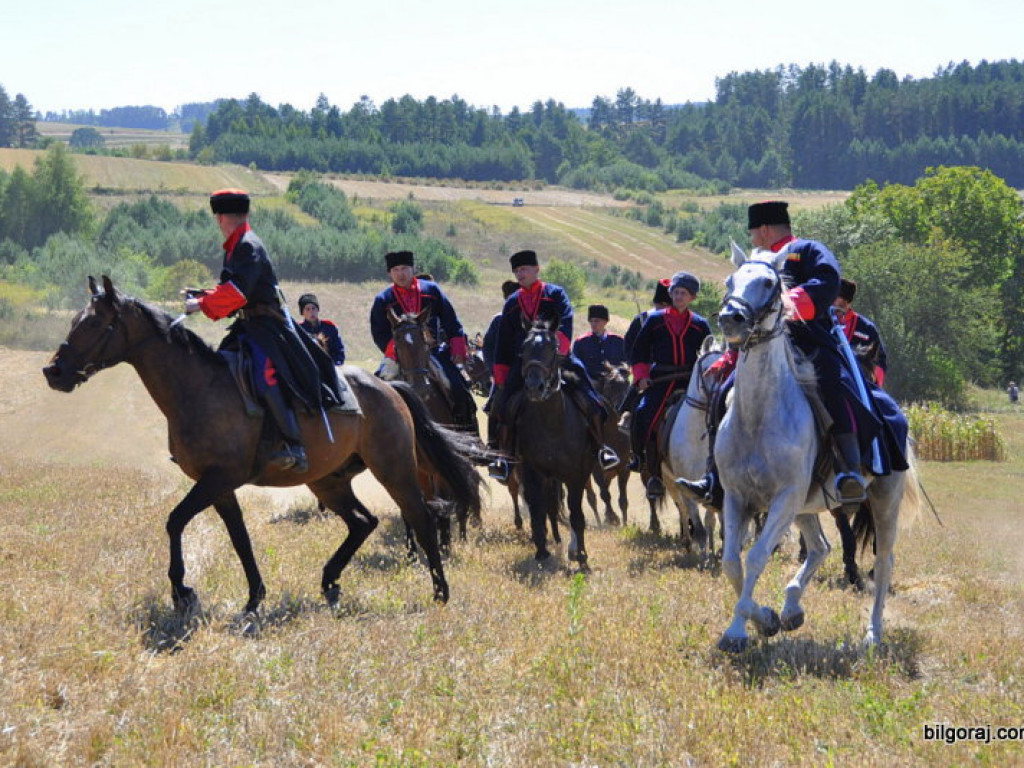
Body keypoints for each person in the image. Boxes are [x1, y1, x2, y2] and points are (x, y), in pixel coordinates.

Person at [678, 200, 908, 511]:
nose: (752, 239)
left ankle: (850, 469)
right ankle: (715, 477)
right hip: (760, 348)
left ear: (763, 229)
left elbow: (828, 281)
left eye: (752, 233)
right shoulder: (756, 261)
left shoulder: (809, 250)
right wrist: (731, 352)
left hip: (810, 345)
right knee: (721, 394)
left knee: (835, 387)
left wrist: (789, 301)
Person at [185, 189, 339, 474]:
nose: (217, 222)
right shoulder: (236, 245)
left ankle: (294, 445)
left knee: (264, 377)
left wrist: (201, 304)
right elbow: (232, 292)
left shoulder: (247, 245)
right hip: (249, 325)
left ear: (221, 217)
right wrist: (204, 295)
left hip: (269, 328)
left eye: (217, 218)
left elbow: (237, 292)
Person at [487, 249, 620, 481]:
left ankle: (601, 449)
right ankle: (502, 457)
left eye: (524, 269)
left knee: (591, 399)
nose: (520, 274)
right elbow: (503, 340)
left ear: (537, 269)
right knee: (500, 405)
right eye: (517, 271)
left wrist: (559, 351)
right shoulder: (512, 302)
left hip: (558, 358)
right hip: (524, 364)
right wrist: (501, 373)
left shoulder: (555, 294)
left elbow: (566, 321)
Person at [369, 250, 478, 432]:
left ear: (413, 269)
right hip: (398, 355)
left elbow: (451, 321)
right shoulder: (383, 300)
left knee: (458, 387)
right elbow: (379, 332)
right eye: (396, 270)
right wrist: (397, 351)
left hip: (434, 352)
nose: (401, 273)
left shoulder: (431, 291)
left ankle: (471, 435)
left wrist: (458, 351)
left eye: (404, 268)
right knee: (374, 394)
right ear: (390, 273)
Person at [628, 271, 711, 498]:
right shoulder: (655, 321)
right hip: (660, 380)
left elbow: (708, 354)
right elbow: (639, 351)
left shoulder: (700, 325)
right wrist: (642, 376)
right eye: (675, 292)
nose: (678, 296)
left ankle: (717, 469)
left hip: (690, 380)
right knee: (643, 414)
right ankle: (645, 464)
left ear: (692, 297)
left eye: (683, 293)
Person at [833, 278, 887, 387]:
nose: (831, 299)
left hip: (859, 384)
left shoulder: (866, 328)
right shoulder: (822, 321)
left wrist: (874, 387)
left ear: (846, 300)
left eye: (836, 296)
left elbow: (880, 361)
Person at [572, 304, 627, 383]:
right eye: (591, 321)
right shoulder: (581, 342)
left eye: (597, 321)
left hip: (615, 385)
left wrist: (617, 373)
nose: (593, 324)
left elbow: (626, 363)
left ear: (605, 322)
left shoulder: (619, 341)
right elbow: (576, 366)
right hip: (589, 385)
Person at [297, 293, 346, 366]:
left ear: (318, 310)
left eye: (313, 308)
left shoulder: (330, 328)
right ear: (302, 312)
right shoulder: (298, 331)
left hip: (330, 367)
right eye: (307, 309)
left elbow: (339, 351)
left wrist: (336, 365)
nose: (311, 312)